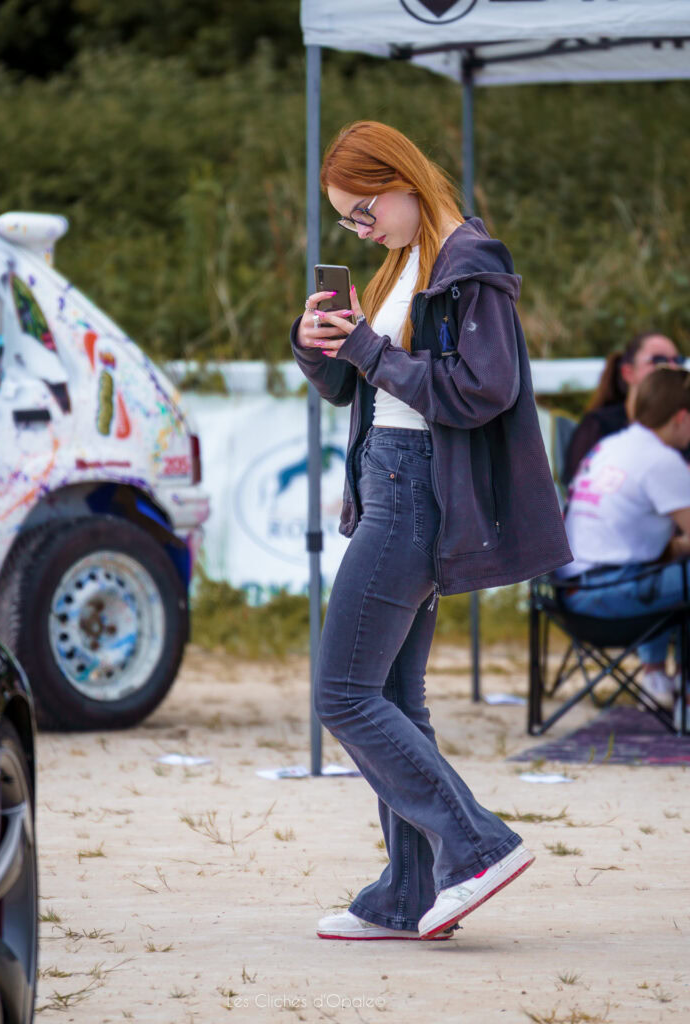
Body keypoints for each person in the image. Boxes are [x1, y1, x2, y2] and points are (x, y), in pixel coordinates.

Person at [290, 121, 571, 942]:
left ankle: (476, 847)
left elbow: (483, 388)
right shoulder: (402, 266)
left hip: (414, 490)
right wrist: (321, 346)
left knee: (342, 693)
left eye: (363, 209)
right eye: (345, 219)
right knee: (388, 696)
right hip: (391, 480)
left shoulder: (466, 262)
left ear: (404, 180)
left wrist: (371, 348)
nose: (359, 228)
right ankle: (408, 895)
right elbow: (360, 386)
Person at [558, 367, 690, 714]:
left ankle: (658, 679)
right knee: (679, 577)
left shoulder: (612, 446)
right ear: (681, 417)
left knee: (668, 569)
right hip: (606, 596)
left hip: (568, 593)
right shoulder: (662, 461)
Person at [561, 332, 684, 488]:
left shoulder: (683, 426)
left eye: (678, 360)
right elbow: (577, 488)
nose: (672, 367)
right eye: (659, 360)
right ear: (628, 372)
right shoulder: (599, 425)